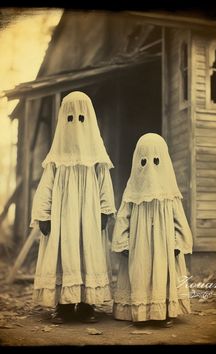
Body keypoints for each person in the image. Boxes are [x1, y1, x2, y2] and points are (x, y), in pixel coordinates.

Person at [30, 91, 116, 324]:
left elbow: (104, 185)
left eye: (81, 118)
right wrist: (44, 214)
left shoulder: (97, 157)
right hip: (62, 219)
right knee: (63, 254)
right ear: (62, 119)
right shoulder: (56, 158)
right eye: (70, 118)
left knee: (88, 253)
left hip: (89, 217)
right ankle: (65, 305)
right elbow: (46, 187)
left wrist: (105, 211)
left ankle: (88, 304)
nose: (76, 125)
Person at [112, 133, 193, 326]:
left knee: (163, 275)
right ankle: (140, 311)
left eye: (156, 161)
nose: (149, 167)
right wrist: (123, 242)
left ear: (163, 160)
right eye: (143, 161)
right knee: (139, 273)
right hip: (139, 246)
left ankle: (165, 310)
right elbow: (123, 218)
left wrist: (177, 242)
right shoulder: (132, 191)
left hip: (164, 245)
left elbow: (179, 219)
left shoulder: (170, 193)